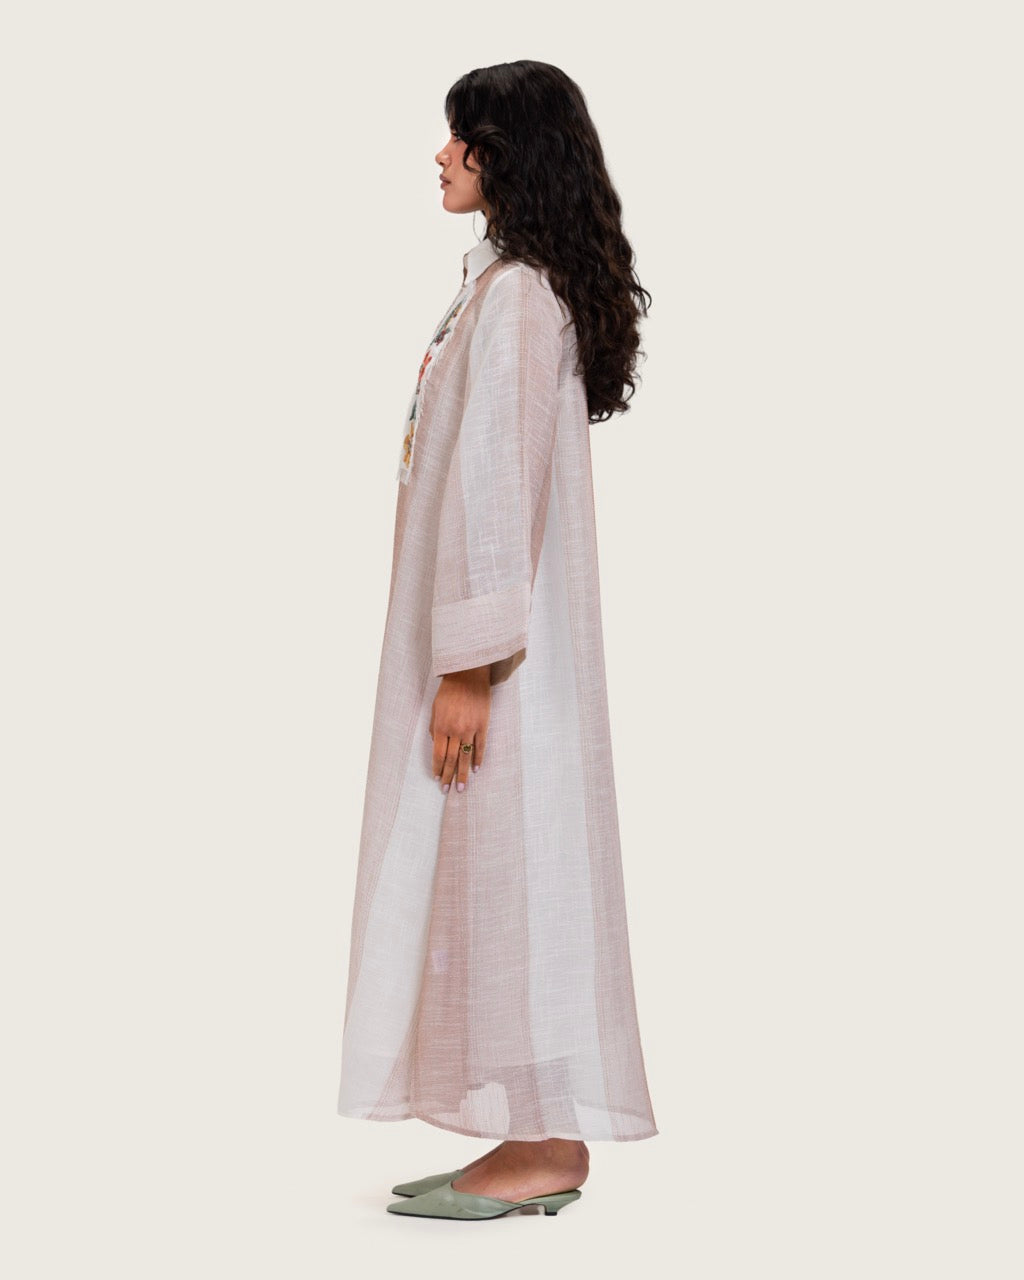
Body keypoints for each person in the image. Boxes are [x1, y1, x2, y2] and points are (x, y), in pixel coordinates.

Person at [337, 60, 658, 1222]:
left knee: (509, 872)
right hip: (495, 653)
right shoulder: (504, 288)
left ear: (505, 154)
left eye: (460, 137)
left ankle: (540, 1144)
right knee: (502, 872)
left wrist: (470, 667)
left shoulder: (519, 298)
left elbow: (495, 487)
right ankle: (536, 1135)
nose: (440, 156)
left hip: (499, 665)